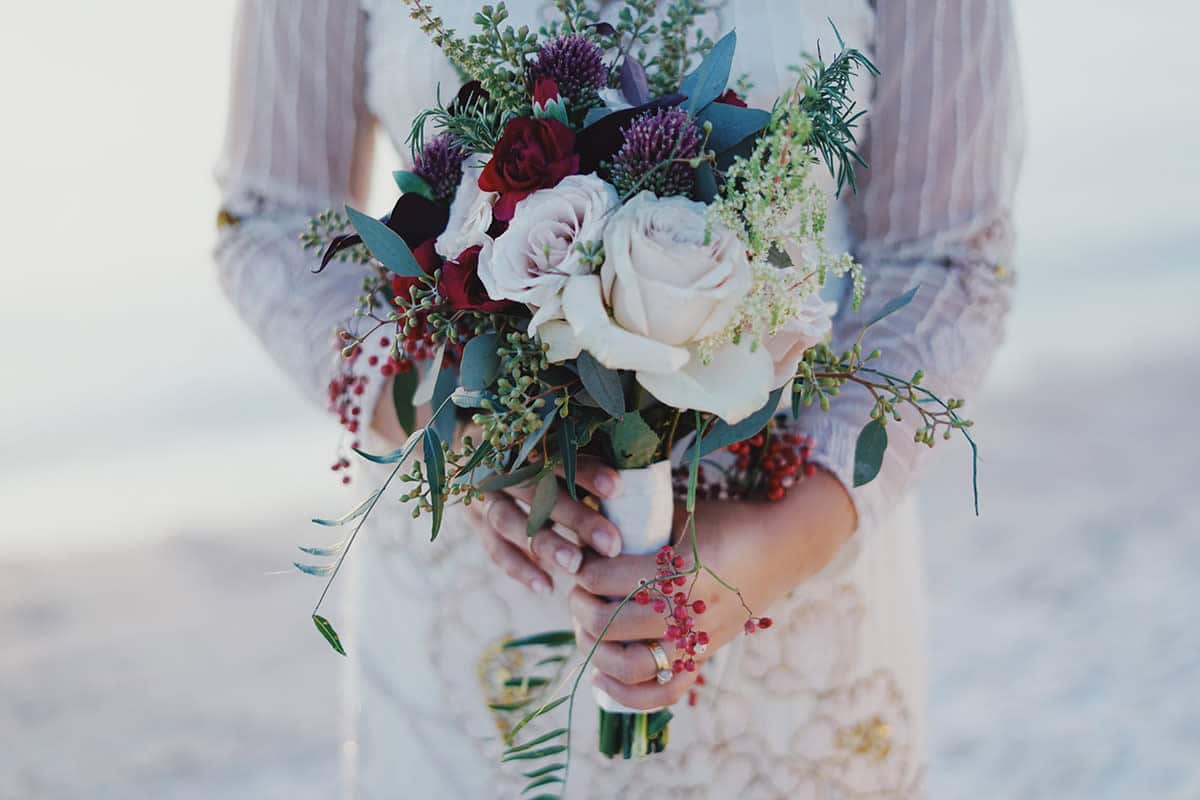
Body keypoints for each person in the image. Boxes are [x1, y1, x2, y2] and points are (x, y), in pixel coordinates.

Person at [215, 1, 1022, 796]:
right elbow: (272, 220)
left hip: (794, 571)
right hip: (474, 587)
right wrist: (457, 436)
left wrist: (780, 540)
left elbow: (945, 261)